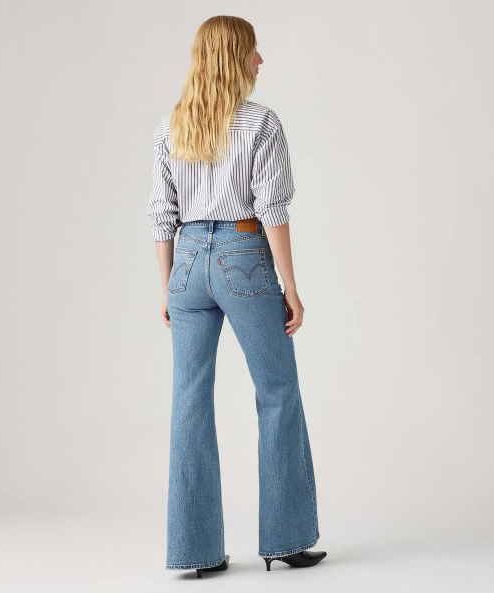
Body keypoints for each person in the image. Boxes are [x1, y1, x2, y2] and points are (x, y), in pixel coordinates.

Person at [147, 15, 326, 578]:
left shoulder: (172, 126)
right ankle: (286, 540)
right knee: (277, 391)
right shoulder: (260, 123)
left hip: (186, 260)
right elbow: (272, 209)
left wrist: (167, 286)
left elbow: (161, 214)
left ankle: (196, 552)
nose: (260, 60)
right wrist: (290, 286)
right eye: (253, 50)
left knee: (189, 400)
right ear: (234, 56)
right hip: (243, 255)